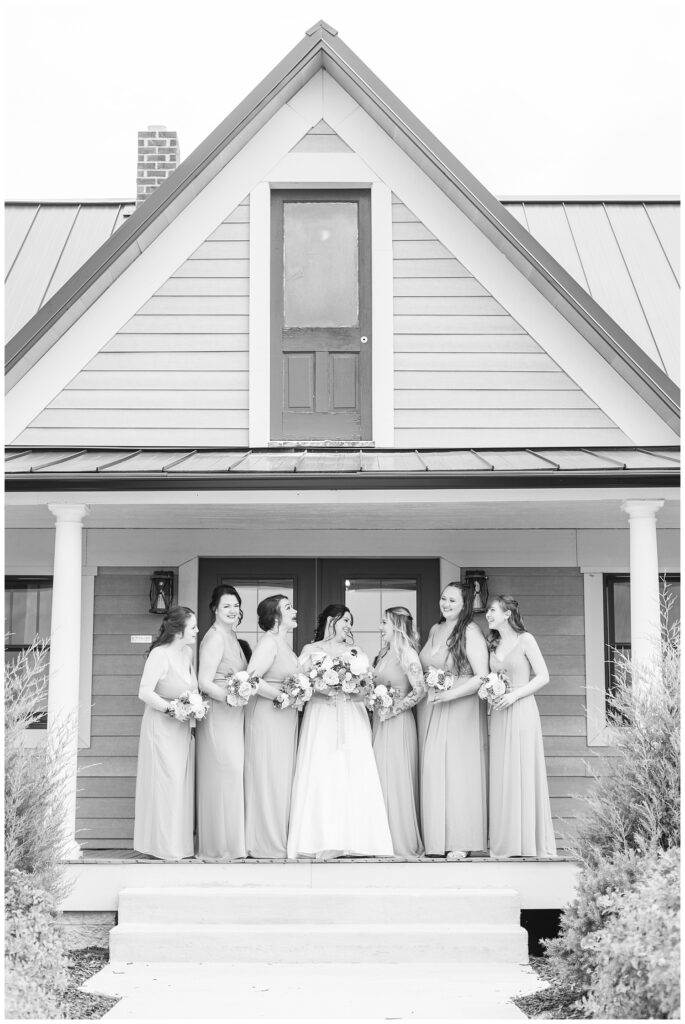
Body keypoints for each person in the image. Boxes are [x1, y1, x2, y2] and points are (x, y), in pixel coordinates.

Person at [287, 605, 394, 859]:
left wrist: (349, 688)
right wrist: (322, 688)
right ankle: (321, 839)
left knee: (353, 771)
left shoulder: (356, 653)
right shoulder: (310, 651)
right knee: (322, 771)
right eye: (344, 620)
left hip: (352, 716)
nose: (348, 625)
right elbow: (301, 685)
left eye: (351, 622)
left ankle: (358, 840)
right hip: (321, 716)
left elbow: (367, 687)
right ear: (330, 621)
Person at [419, 581, 489, 858]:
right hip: (434, 705)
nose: (445, 604)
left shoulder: (469, 631)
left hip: (461, 706)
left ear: (464, 605)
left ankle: (462, 841)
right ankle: (438, 840)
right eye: (443, 599)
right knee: (436, 770)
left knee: (459, 772)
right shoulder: (436, 629)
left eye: (452, 601)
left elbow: (482, 676)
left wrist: (450, 696)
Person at [485, 595, 557, 859]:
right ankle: (508, 842)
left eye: (492, 610)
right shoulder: (492, 643)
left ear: (507, 613)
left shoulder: (526, 639)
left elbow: (544, 676)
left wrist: (514, 695)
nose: (488, 615)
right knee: (504, 773)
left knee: (523, 769)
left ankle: (528, 842)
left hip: (523, 708)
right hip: (500, 712)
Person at [133, 606, 199, 860]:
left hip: (182, 729)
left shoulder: (188, 653)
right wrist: (172, 709)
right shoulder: (159, 655)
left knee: (179, 784)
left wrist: (194, 708)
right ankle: (162, 847)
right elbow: (145, 692)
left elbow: (190, 689)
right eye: (192, 626)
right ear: (179, 630)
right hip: (161, 727)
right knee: (165, 783)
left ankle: (179, 846)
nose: (196, 631)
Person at [196, 584, 252, 860]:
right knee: (223, 773)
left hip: (234, 713)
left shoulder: (232, 636)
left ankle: (232, 844)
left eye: (236, 605)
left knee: (233, 775)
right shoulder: (215, 638)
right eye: (227, 605)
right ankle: (218, 846)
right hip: (219, 714)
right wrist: (229, 698)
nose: (233, 610)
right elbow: (204, 682)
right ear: (215, 609)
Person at [243, 594, 299, 858]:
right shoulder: (268, 642)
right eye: (288, 607)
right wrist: (281, 696)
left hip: (285, 718)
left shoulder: (283, 644)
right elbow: (251, 679)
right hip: (269, 716)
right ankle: (264, 841)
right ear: (275, 616)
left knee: (281, 776)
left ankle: (279, 835)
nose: (295, 610)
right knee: (268, 774)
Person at [372, 607, 425, 859]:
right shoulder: (384, 654)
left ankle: (399, 841)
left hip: (398, 722)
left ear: (396, 625)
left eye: (384, 622)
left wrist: (394, 709)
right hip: (379, 721)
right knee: (380, 779)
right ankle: (380, 838)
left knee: (396, 778)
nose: (381, 626)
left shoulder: (407, 653)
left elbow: (419, 690)